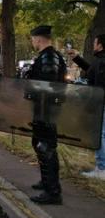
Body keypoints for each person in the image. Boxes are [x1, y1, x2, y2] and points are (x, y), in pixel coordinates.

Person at [26, 25, 67, 205]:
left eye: (33, 39)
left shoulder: (49, 57)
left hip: (46, 110)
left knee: (46, 147)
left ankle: (53, 192)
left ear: (39, 39)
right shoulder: (49, 56)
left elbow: (47, 88)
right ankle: (46, 182)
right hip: (43, 109)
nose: (32, 42)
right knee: (40, 144)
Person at [69, 33, 105, 180]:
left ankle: (102, 168)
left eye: (95, 43)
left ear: (100, 45)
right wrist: (76, 58)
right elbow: (91, 70)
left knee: (100, 135)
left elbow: (99, 83)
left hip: (101, 104)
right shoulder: (100, 60)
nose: (93, 45)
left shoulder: (102, 61)